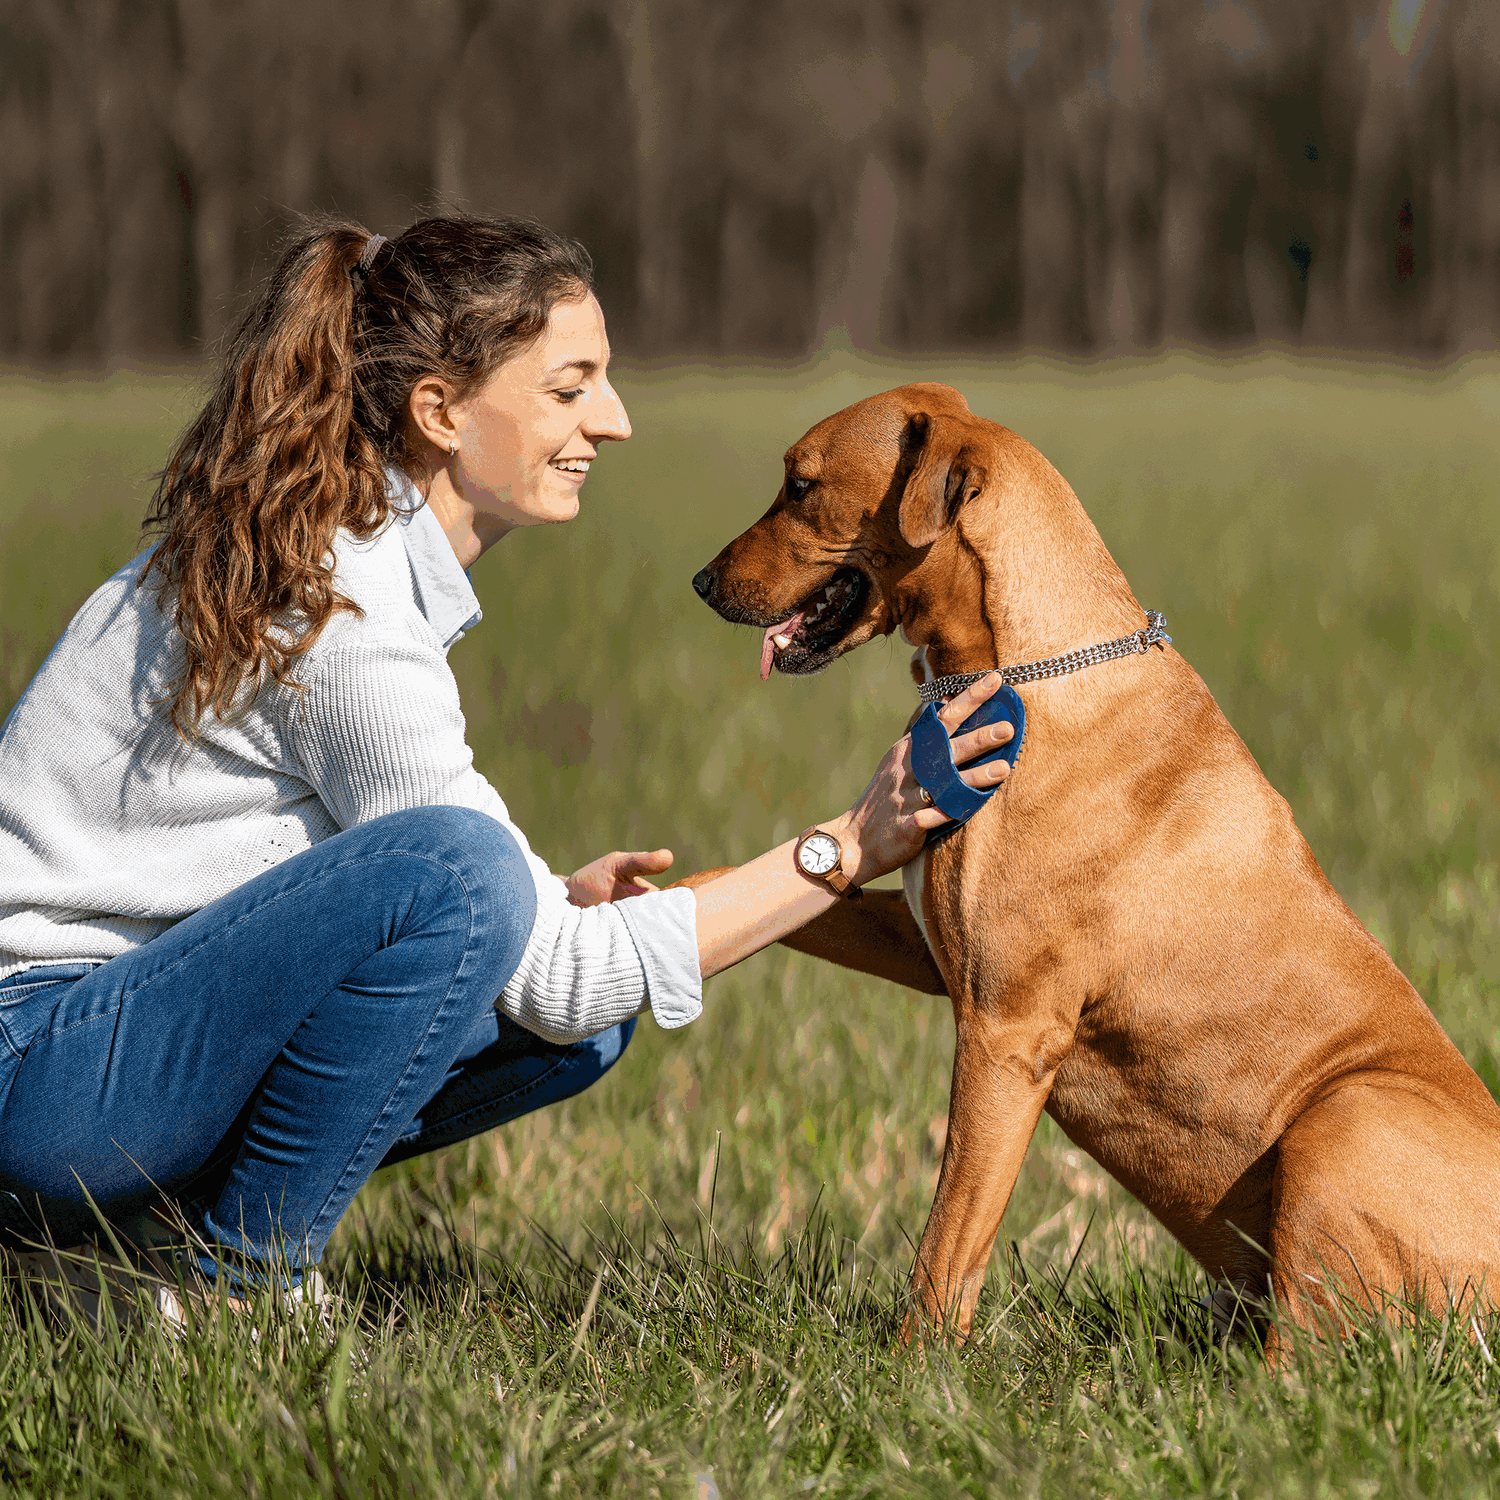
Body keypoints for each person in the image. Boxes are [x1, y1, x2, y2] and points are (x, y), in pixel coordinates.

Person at [0, 216, 1010, 1302]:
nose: (613, 424)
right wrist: (853, 845)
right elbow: (536, 952)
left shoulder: (334, 550)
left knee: (557, 1004)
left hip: (105, 1050)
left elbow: (524, 975)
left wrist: (531, 920)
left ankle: (127, 1249)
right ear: (439, 411)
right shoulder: (340, 608)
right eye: (570, 390)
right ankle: (237, 1283)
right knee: (466, 878)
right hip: (39, 1071)